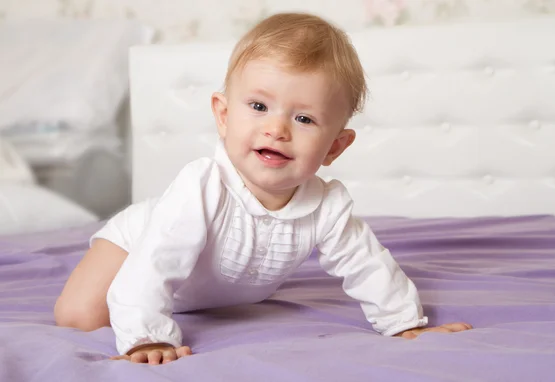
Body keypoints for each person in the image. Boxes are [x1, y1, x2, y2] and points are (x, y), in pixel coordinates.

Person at [54, 12, 472, 365]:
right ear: (222, 114)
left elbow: (368, 266)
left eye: (304, 119)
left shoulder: (326, 206)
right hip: (137, 244)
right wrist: (146, 336)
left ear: (335, 147)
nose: (276, 129)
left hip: (214, 290)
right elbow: (157, 261)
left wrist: (403, 325)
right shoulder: (201, 185)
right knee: (79, 316)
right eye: (258, 107)